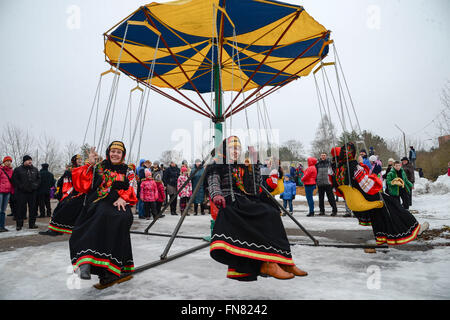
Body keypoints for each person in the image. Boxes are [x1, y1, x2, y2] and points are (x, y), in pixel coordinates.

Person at [207, 135, 307, 281]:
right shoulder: (218, 163)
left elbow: (253, 187)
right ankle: (267, 263)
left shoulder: (241, 165)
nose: (236, 152)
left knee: (272, 213)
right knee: (262, 215)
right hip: (229, 199)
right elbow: (213, 181)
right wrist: (216, 194)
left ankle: (284, 260)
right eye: (232, 148)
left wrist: (254, 166)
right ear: (226, 150)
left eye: (238, 149)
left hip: (243, 199)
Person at [70, 141, 137, 288]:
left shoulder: (128, 171)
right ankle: (86, 262)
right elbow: (82, 183)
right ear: (108, 152)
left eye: (118, 152)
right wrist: (89, 164)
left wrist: (123, 198)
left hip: (119, 201)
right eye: (113, 151)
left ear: (123, 155)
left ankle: (112, 269)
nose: (115, 154)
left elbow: (133, 187)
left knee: (121, 219)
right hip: (100, 200)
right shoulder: (100, 166)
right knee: (96, 218)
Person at [333, 142, 428, 245]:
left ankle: (381, 237)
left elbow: (336, 189)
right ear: (352, 153)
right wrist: (374, 175)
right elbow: (368, 185)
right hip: (367, 197)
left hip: (357, 199)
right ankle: (412, 229)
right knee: (394, 205)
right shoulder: (353, 167)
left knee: (379, 212)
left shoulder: (339, 169)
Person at [40, 154, 85, 236]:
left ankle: (60, 229)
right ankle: (55, 229)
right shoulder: (69, 171)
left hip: (79, 193)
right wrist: (60, 192)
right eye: (78, 159)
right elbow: (61, 182)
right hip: (69, 193)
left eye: (81, 159)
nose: (80, 161)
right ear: (73, 160)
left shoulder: (82, 169)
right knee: (60, 209)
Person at [12, 155, 40, 231]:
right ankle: (19, 225)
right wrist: (21, 186)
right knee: (20, 209)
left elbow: (38, 179)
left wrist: (35, 186)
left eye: (30, 160)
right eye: (28, 160)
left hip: (32, 192)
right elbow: (14, 180)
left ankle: (32, 224)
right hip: (22, 193)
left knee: (33, 209)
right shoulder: (18, 170)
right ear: (24, 161)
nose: (30, 161)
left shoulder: (35, 169)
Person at [0, 156, 14, 232]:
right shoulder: (0, 169)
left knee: (3, 210)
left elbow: (12, 182)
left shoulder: (11, 171)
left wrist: (12, 191)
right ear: (4, 162)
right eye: (7, 161)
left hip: (7, 192)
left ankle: (2, 226)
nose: (9, 162)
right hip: (0, 192)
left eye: (10, 161)